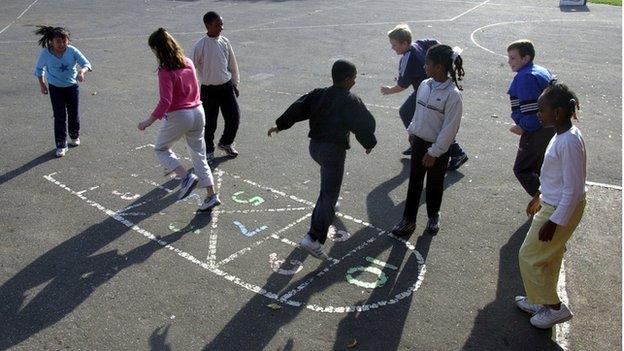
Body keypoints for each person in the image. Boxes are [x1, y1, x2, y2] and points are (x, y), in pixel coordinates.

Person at [267, 60, 377, 259]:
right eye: (354, 77)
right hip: (332, 151)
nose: (355, 80)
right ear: (346, 79)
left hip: (315, 147)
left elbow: (298, 107)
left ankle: (329, 206)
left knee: (328, 187)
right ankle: (313, 238)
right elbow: (364, 123)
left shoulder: (319, 93)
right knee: (329, 192)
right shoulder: (351, 100)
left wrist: (280, 125)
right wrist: (369, 142)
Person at [515, 83, 586, 329]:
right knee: (549, 257)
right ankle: (541, 300)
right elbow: (556, 178)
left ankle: (554, 308)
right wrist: (540, 196)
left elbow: (574, 189)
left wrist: (554, 221)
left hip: (559, 210)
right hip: (552, 203)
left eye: (541, 109)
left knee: (528, 256)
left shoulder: (569, 142)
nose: (538, 114)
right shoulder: (562, 134)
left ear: (557, 113)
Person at [138, 28, 220, 211]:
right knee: (199, 155)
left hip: (179, 115)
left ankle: (185, 178)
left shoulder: (165, 71)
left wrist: (148, 121)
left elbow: (165, 101)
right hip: (198, 111)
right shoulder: (188, 62)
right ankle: (211, 195)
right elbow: (195, 87)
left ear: (158, 50)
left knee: (161, 148)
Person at [391, 44, 464, 237]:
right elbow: (418, 111)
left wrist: (435, 152)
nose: (424, 67)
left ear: (439, 67)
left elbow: (450, 129)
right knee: (414, 182)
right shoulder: (425, 85)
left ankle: (433, 216)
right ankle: (408, 220)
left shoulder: (453, 95)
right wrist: (412, 130)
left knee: (434, 184)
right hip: (419, 142)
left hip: (437, 148)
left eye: (428, 64)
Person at [380, 23, 468, 171]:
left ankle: (456, 152)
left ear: (405, 43)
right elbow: (434, 43)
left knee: (410, 114)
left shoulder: (407, 59)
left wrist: (388, 90)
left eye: (394, 45)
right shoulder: (419, 43)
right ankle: (418, 141)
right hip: (430, 87)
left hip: (426, 91)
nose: (392, 48)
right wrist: (446, 57)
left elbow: (402, 85)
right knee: (415, 115)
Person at [507, 39, 556, 196]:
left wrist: (523, 127)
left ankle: (545, 202)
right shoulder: (540, 70)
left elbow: (532, 112)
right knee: (541, 166)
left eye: (513, 58)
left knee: (522, 169)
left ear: (525, 58)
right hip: (550, 128)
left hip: (537, 132)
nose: (509, 62)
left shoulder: (525, 78)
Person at [34, 26, 91, 157]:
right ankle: (61, 144)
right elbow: (39, 69)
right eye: (58, 41)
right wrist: (42, 84)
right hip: (55, 89)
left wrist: (82, 72)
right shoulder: (45, 54)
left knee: (73, 113)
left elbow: (86, 63)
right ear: (51, 42)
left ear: (68, 41)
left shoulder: (72, 51)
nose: (61, 44)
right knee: (59, 116)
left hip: (71, 87)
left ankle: (74, 135)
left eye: (64, 41)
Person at [192, 11, 241, 163]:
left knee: (234, 117)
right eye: (217, 24)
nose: (221, 27)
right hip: (208, 90)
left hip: (226, 87)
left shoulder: (225, 42)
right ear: (208, 25)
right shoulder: (200, 46)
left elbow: (232, 64)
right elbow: (191, 70)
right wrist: (192, 93)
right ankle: (209, 151)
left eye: (221, 24)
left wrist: (235, 83)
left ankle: (226, 143)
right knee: (210, 123)